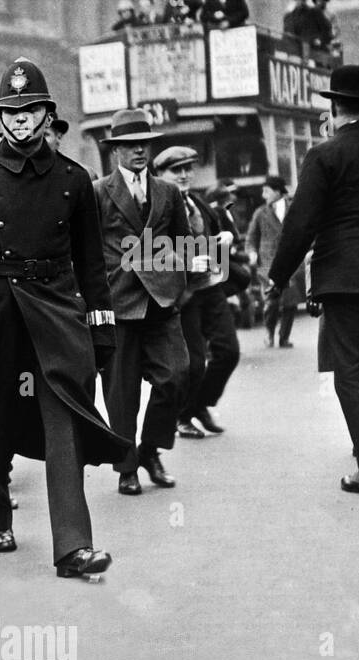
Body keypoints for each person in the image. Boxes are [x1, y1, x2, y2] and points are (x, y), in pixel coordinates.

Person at [0, 58, 125, 581]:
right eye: (10, 112)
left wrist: (101, 325)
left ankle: (74, 548)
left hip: (56, 310)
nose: (19, 120)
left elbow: (91, 262)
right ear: (0, 118)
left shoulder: (73, 180)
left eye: (30, 110)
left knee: (65, 424)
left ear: (46, 115)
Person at [268, 64, 359, 494]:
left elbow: (301, 224)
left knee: (354, 369)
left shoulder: (325, 155)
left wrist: (278, 278)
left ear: (334, 106)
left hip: (346, 278)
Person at [93, 108, 192, 495]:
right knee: (121, 393)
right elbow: (86, 251)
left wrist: (177, 274)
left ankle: (150, 449)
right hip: (118, 304)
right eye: (130, 145)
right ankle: (127, 467)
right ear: (116, 150)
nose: (139, 151)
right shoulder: (99, 191)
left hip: (161, 304)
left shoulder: (167, 192)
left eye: (145, 144)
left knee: (177, 376)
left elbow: (183, 240)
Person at [153, 146, 241, 440]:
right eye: (176, 170)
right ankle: (184, 415)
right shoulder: (158, 208)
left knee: (229, 352)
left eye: (188, 168)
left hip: (211, 287)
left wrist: (223, 239)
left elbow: (213, 240)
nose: (184, 175)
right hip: (183, 294)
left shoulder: (198, 203)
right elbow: (151, 252)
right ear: (160, 175)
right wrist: (193, 257)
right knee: (192, 362)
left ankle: (199, 404)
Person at [247, 175, 305, 347]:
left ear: (278, 191)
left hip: (291, 263)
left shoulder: (295, 209)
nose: (264, 195)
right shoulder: (260, 213)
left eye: (266, 191)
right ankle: (269, 333)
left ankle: (284, 337)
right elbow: (251, 237)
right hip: (268, 264)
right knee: (271, 301)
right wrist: (251, 252)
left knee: (290, 303)